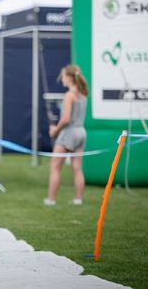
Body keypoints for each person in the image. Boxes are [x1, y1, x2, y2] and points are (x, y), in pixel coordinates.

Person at [44, 64, 88, 206]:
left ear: (69, 78)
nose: (62, 79)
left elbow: (65, 119)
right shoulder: (83, 95)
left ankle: (51, 200)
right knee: (77, 168)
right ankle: (78, 199)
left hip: (69, 133)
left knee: (55, 167)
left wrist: (55, 131)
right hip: (81, 132)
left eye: (63, 76)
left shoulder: (69, 95)